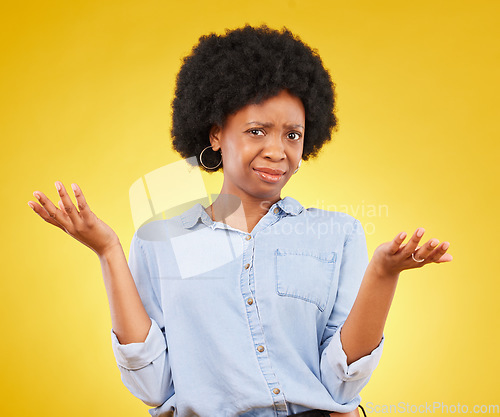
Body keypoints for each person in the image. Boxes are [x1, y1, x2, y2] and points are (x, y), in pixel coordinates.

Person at [28, 25, 452, 417]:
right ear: (216, 134)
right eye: (256, 131)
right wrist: (108, 251)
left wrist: (384, 272)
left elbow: (339, 387)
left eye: (293, 134)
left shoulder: (338, 235)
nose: (277, 150)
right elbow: (154, 386)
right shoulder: (160, 242)